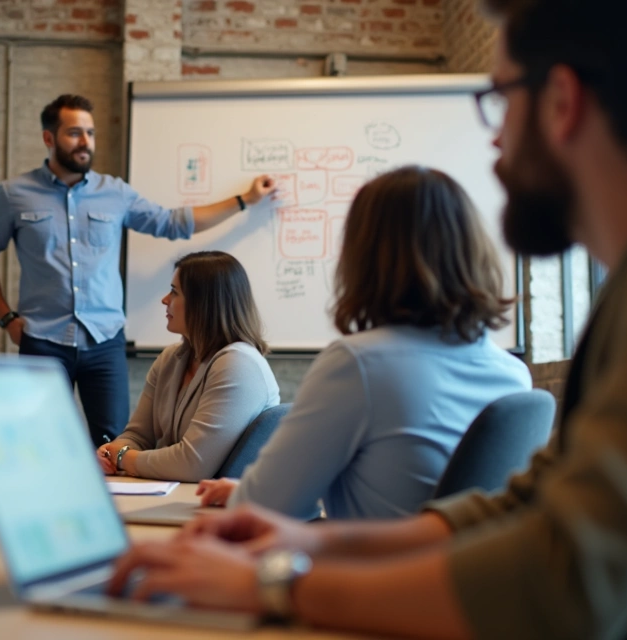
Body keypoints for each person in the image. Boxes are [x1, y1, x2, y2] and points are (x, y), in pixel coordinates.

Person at [106, 0, 627, 637]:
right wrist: (312, 544)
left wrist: (277, 583)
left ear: (562, 101)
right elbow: (529, 507)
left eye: (499, 100)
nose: (494, 139)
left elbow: (564, 580)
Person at [194, 166, 531, 519]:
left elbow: (267, 508)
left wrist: (252, 493)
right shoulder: (514, 376)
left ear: (365, 256)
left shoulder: (360, 363)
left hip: (371, 569)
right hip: (462, 571)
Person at [0, 94, 276, 448]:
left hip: (105, 341)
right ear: (48, 138)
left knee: (115, 443)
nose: (85, 142)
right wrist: (6, 318)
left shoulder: (115, 193)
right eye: (74, 133)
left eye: (90, 133)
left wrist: (244, 200)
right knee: (39, 444)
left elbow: (174, 223)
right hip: (43, 341)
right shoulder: (13, 194)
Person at [95, 251, 279, 482]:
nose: (164, 300)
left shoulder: (238, 364)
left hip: (222, 509)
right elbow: (138, 435)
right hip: (178, 497)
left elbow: (192, 465)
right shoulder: (171, 358)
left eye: (174, 292)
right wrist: (113, 450)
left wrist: (122, 457)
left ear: (204, 303)